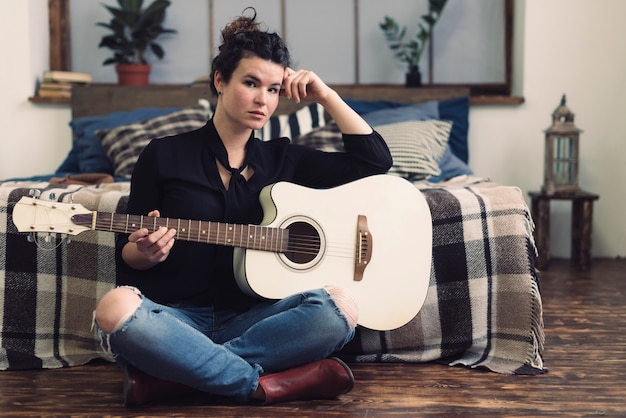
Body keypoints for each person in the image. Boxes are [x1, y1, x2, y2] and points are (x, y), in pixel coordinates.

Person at [94, 8, 392, 407]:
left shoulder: (286, 159)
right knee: (115, 309)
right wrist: (145, 252)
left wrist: (327, 95)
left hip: (260, 319)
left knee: (340, 307)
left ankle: (180, 378)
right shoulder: (163, 154)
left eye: (273, 89)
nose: (262, 99)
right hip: (178, 317)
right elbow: (128, 255)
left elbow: (374, 162)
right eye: (251, 83)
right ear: (219, 80)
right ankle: (264, 384)